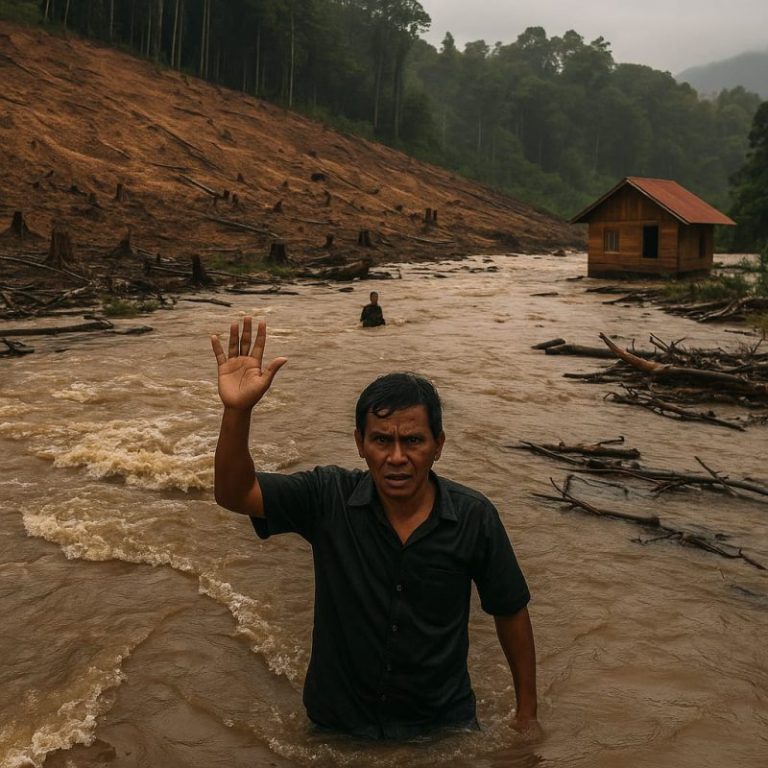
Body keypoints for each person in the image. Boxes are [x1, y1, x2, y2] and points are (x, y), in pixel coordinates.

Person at [210, 317, 540, 741]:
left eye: (414, 441)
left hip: (440, 729)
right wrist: (237, 411)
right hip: (337, 726)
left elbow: (510, 610)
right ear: (359, 443)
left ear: (439, 445)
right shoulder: (327, 497)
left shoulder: (474, 517)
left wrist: (527, 715)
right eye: (382, 440)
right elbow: (234, 494)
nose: (397, 457)